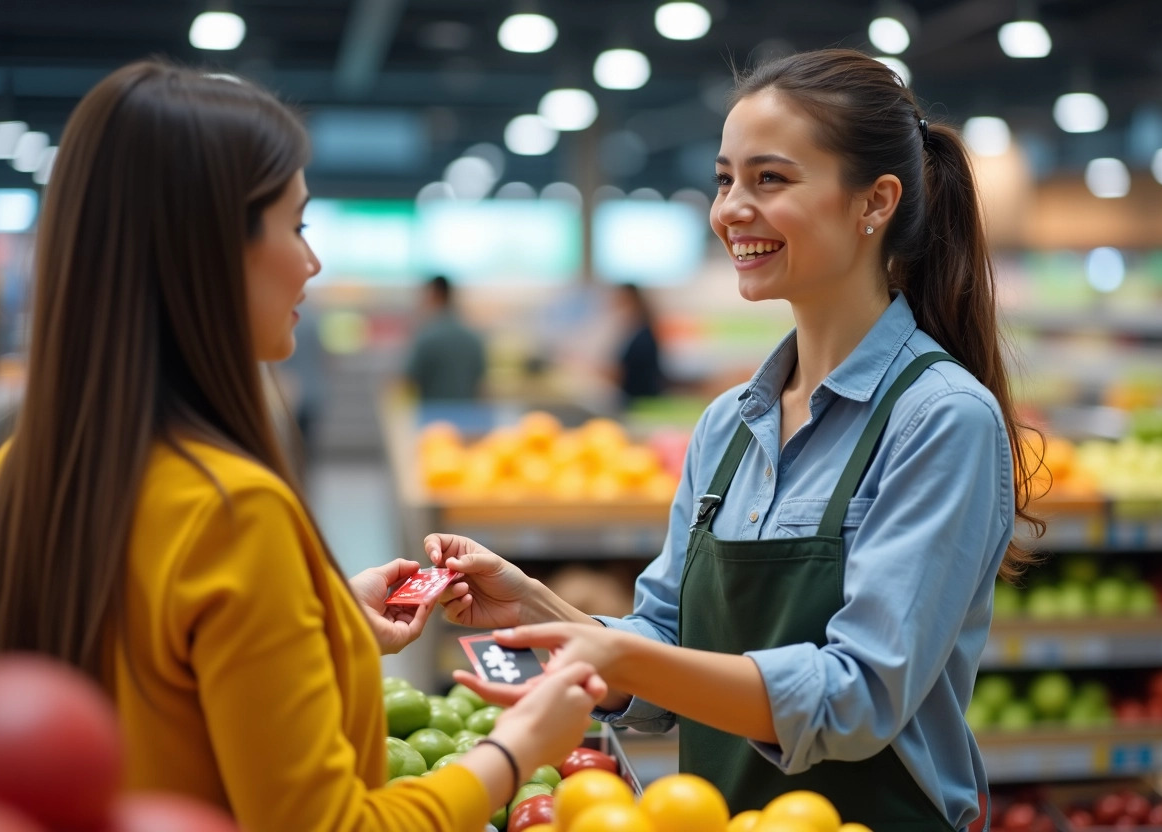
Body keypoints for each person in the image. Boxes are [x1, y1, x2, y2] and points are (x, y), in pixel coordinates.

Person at [428, 48, 1047, 830]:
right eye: (725, 179)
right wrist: (537, 609)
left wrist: (619, 655)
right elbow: (665, 647)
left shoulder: (940, 419)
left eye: (770, 179)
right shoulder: (730, 423)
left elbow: (857, 699)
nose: (730, 209)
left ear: (875, 201)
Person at [0, 61, 605, 832]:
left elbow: (151, 692)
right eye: (298, 225)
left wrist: (320, 621)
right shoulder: (233, 512)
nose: (312, 263)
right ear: (211, 249)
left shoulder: (21, 474)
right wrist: (514, 751)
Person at [403, 275, 487, 401]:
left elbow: (410, 379)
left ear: (435, 295)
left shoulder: (427, 338)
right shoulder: (473, 338)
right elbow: (480, 379)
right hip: (467, 414)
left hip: (432, 414)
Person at [609, 282, 666, 407]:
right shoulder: (635, 332)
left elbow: (628, 371)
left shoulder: (643, 336)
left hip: (642, 402)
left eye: (621, 301)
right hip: (637, 399)